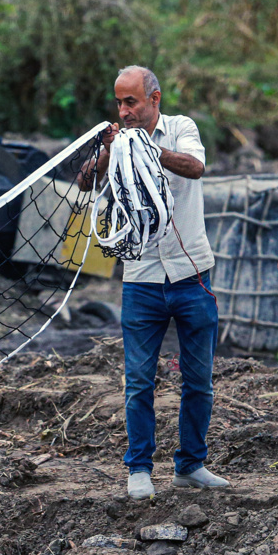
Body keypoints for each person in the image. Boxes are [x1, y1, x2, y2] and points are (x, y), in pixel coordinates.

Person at [79, 65, 229, 500]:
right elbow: (86, 179)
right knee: (139, 379)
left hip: (190, 275)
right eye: (119, 103)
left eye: (132, 102)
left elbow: (196, 167)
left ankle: (190, 466)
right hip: (141, 279)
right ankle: (139, 468)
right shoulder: (117, 142)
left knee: (198, 379)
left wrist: (145, 149)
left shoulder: (181, 128)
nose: (124, 111)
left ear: (155, 99)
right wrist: (111, 151)